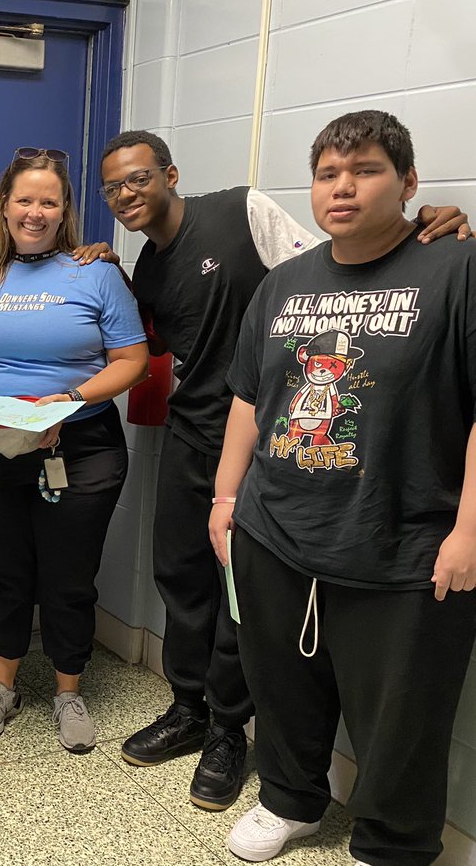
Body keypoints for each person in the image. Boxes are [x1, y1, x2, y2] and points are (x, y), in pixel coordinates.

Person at [98, 129, 472, 811]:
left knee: (242, 599)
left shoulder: (243, 212)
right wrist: (111, 277)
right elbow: (156, 340)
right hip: (195, 434)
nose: (127, 194)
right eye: (114, 187)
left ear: (169, 174)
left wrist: (427, 225)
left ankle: (228, 733)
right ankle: (188, 709)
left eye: (139, 178)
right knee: (179, 574)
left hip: (273, 441)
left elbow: (337, 260)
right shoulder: (146, 265)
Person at [208, 110, 476, 865]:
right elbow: (250, 399)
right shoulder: (287, 283)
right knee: (283, 686)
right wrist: (226, 501)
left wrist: (470, 531)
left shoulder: (457, 269)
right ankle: (289, 797)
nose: (343, 188)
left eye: (365, 172)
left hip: (405, 541)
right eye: (329, 173)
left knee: (402, 713)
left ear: (409, 183)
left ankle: (393, 841)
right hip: (276, 528)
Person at [0, 146, 148, 752]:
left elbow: (132, 361)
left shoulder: (97, 274)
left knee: (68, 577)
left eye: (48, 201)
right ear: (5, 208)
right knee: (3, 572)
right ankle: (3, 687)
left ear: (64, 210)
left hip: (79, 447)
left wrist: (66, 401)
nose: (35, 211)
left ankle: (67, 690)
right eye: (24, 200)